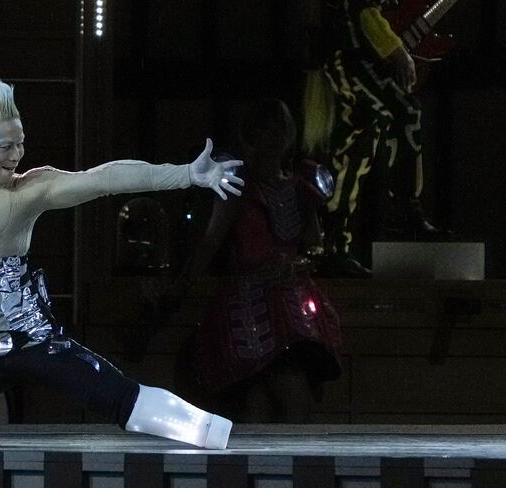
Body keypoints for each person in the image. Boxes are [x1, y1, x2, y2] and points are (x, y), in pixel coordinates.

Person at [0, 74, 243, 449]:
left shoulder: (29, 191)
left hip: (30, 339)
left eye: (20, 144)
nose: (17, 155)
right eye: (5, 147)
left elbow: (103, 178)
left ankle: (211, 430)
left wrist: (186, 174)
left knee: (116, 398)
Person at [173, 98, 341, 423]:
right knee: (260, 401)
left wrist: (299, 264)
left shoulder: (302, 185)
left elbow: (315, 247)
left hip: (294, 305)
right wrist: (179, 287)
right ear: (251, 133)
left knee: (280, 398)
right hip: (250, 306)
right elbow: (210, 243)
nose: (274, 135)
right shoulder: (238, 185)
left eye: (280, 125)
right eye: (265, 127)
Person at [302, 0, 442, 277]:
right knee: (405, 113)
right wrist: (395, 49)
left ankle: (335, 247)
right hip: (351, 55)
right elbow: (362, 8)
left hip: (352, 56)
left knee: (357, 147)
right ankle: (404, 208)